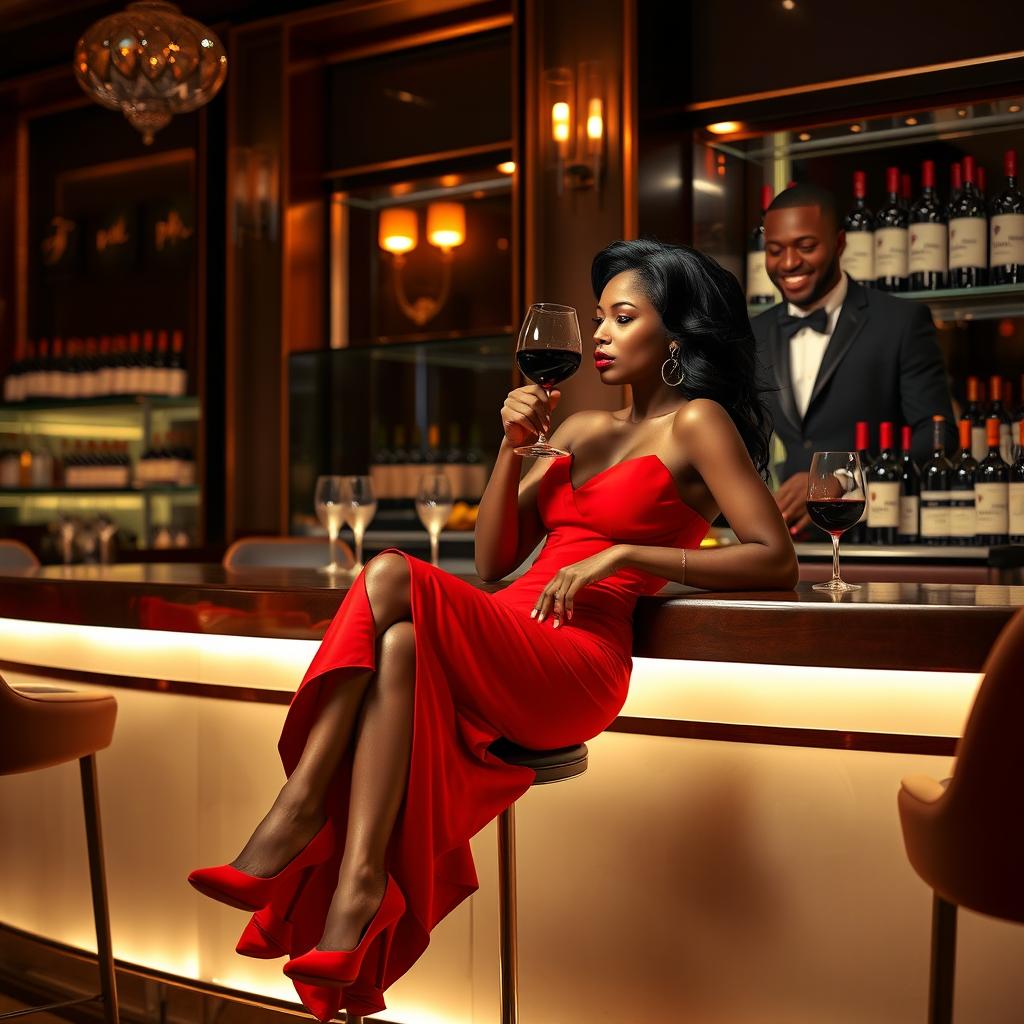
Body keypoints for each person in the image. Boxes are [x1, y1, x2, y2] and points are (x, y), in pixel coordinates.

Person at [188, 239, 799, 1021]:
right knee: (401, 641)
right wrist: (509, 450)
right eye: (596, 320)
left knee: (387, 571)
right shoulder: (576, 428)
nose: (601, 336)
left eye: (622, 317)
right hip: (514, 626)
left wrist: (626, 553)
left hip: (577, 659)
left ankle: (299, 809)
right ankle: (359, 887)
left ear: (674, 335)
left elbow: (772, 558)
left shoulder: (699, 423)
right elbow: (494, 557)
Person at [750, 183, 955, 534]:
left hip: (879, 532)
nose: (788, 263)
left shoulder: (900, 322)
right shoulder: (756, 331)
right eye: (774, 250)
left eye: (806, 246)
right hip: (792, 539)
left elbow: (938, 435)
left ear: (840, 243)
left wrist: (841, 480)